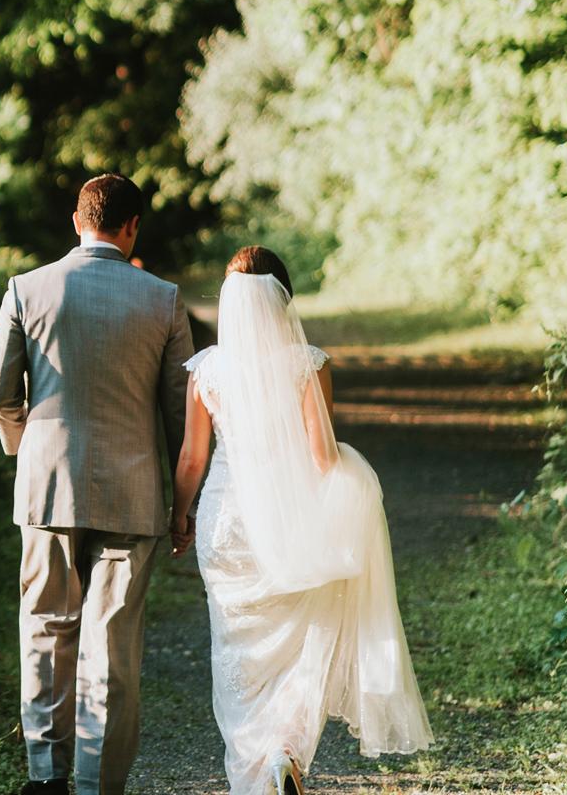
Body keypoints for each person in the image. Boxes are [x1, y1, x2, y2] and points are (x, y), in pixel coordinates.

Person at [170, 247, 433, 794]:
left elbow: (194, 458)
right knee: (305, 639)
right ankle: (284, 753)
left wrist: (178, 516)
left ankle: (251, 767)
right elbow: (322, 458)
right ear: (283, 299)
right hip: (288, 521)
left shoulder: (208, 369)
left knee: (235, 649)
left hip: (225, 525)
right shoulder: (306, 364)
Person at [0, 173, 195, 795]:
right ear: (132, 229)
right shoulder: (163, 299)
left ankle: (46, 779)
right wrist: (182, 509)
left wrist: (26, 447)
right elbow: (180, 415)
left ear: (77, 222)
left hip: (47, 487)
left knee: (46, 628)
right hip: (133, 496)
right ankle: (97, 785)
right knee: (112, 646)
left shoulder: (27, 288)